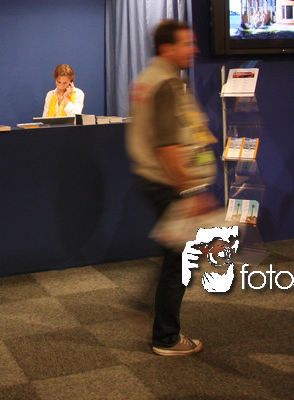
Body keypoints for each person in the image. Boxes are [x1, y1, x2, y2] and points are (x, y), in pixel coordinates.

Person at [125, 19, 218, 356]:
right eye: (186, 44)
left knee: (175, 251)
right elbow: (168, 147)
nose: (194, 49)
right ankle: (165, 338)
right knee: (181, 261)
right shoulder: (165, 83)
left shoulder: (149, 77)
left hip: (155, 179)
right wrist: (190, 192)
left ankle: (144, 305)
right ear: (167, 48)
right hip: (170, 182)